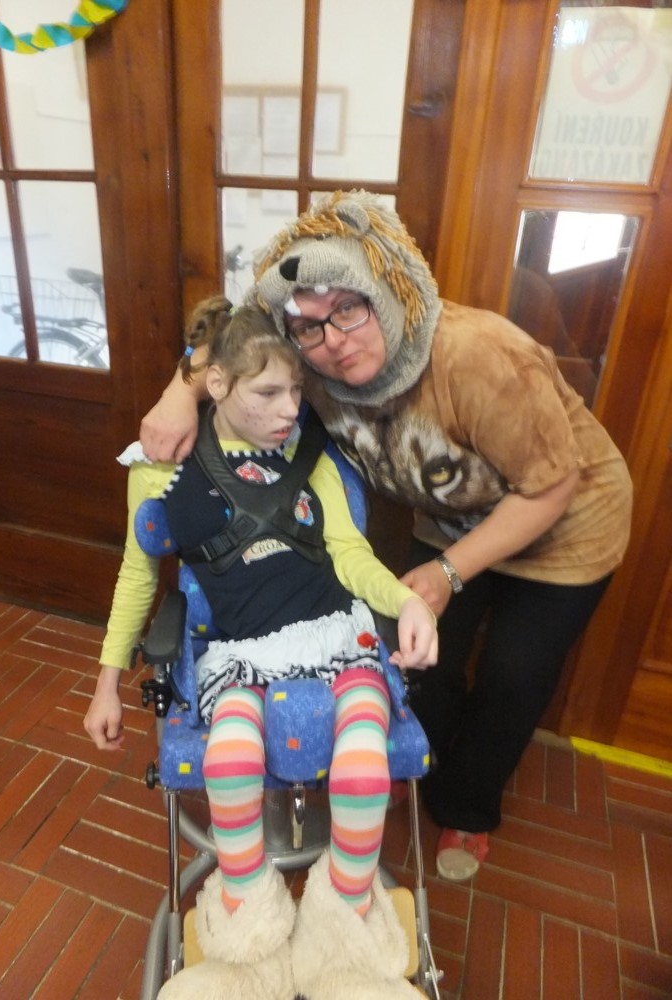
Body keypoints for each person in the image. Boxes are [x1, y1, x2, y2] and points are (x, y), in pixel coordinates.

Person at [139, 190, 633, 885]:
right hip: (453, 515)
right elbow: (231, 341)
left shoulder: (481, 355)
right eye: (311, 325)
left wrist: (449, 573)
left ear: (387, 290)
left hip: (564, 524)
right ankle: (412, 769)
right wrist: (178, 392)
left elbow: (552, 485)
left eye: (350, 308)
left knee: (513, 674)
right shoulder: (305, 352)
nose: (334, 339)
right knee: (423, 657)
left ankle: (466, 807)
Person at [84, 296, 438, 1000]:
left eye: (296, 392)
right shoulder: (161, 469)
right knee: (229, 759)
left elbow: (350, 554)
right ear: (216, 384)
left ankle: (344, 931)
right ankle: (249, 936)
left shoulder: (310, 454)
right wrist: (106, 684)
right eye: (269, 393)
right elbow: (136, 577)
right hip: (240, 654)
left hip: (336, 638)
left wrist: (409, 603)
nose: (289, 411)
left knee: (365, 766)